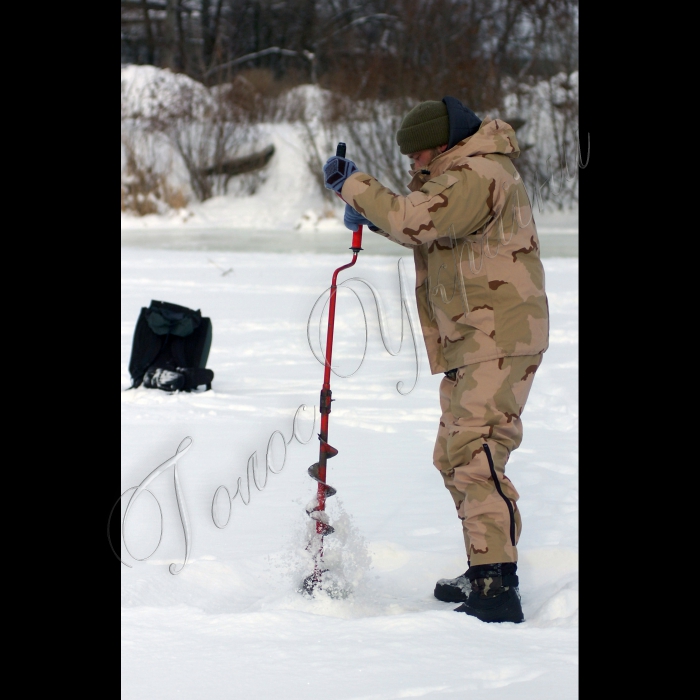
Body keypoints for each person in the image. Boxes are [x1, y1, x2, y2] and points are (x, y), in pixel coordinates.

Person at [322, 97, 549, 623]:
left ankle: (496, 589)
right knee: (453, 454)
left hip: (497, 335)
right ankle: (484, 565)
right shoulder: (464, 175)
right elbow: (434, 232)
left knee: (476, 451)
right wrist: (376, 219)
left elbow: (416, 221)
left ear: (442, 146)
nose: (412, 166)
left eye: (417, 154)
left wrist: (353, 185)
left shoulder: (479, 172)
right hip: (474, 337)